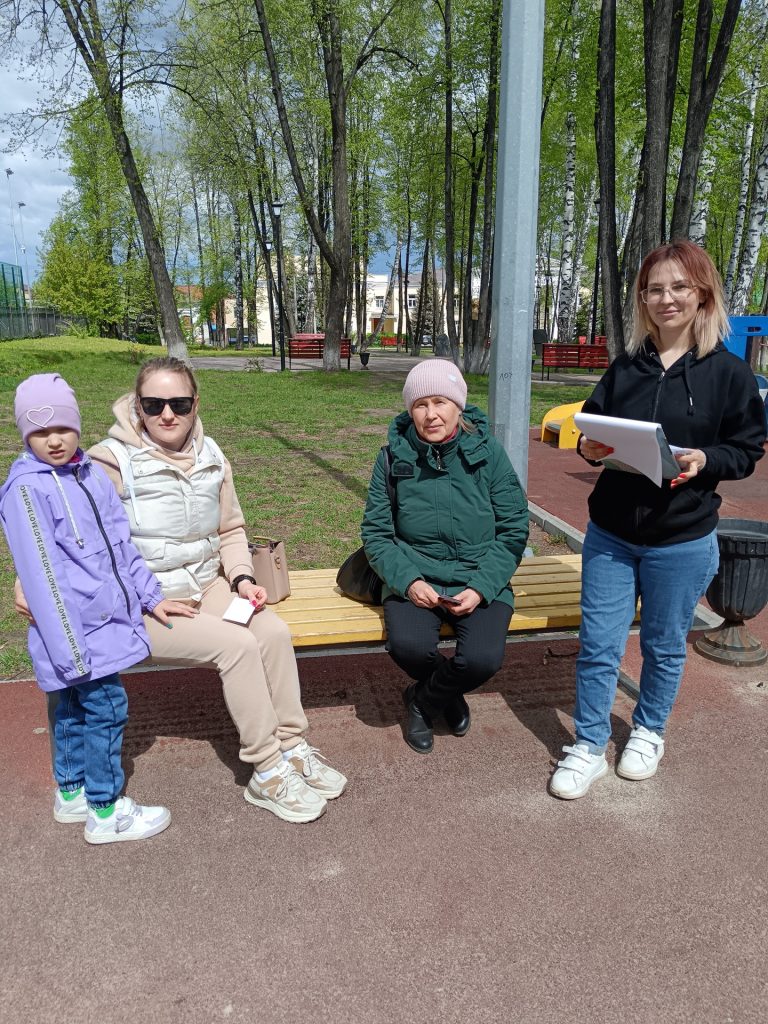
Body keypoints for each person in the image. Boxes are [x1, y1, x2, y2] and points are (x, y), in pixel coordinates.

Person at [18, 358, 347, 824]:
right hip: (144, 602)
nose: (167, 414)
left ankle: (292, 746)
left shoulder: (212, 455)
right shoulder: (108, 462)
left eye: (179, 403)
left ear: (196, 403)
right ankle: (267, 770)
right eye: (154, 404)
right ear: (138, 406)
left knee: (272, 633)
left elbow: (231, 530)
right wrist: (25, 580)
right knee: (236, 646)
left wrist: (242, 578)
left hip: (208, 585)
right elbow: (65, 532)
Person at [549, 240, 766, 800]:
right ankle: (589, 745)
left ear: (702, 294)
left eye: (678, 287)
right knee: (599, 644)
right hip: (611, 534)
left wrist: (705, 460)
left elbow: (747, 449)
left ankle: (648, 732)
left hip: (682, 538)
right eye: (654, 289)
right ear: (642, 299)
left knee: (664, 646)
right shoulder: (626, 367)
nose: (666, 298)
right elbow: (591, 427)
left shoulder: (730, 374)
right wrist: (590, 449)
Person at [1, 374, 194, 844]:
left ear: (77, 426)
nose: (54, 441)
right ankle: (105, 812)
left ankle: (72, 793)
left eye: (63, 428)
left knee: (69, 707)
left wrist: (150, 595)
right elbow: (43, 579)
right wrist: (71, 651)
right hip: (75, 636)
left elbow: (121, 546)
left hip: (99, 625)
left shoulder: (88, 475)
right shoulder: (27, 490)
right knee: (107, 707)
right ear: (25, 434)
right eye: (40, 432)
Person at [361, 359, 529, 753]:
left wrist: (481, 587)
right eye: (420, 404)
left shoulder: (489, 455)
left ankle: (422, 701)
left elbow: (513, 529)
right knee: (409, 648)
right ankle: (448, 697)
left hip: (478, 574)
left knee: (482, 660)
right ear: (410, 410)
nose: (431, 414)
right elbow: (377, 534)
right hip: (417, 574)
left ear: (458, 407)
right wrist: (409, 582)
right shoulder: (392, 458)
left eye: (440, 402)